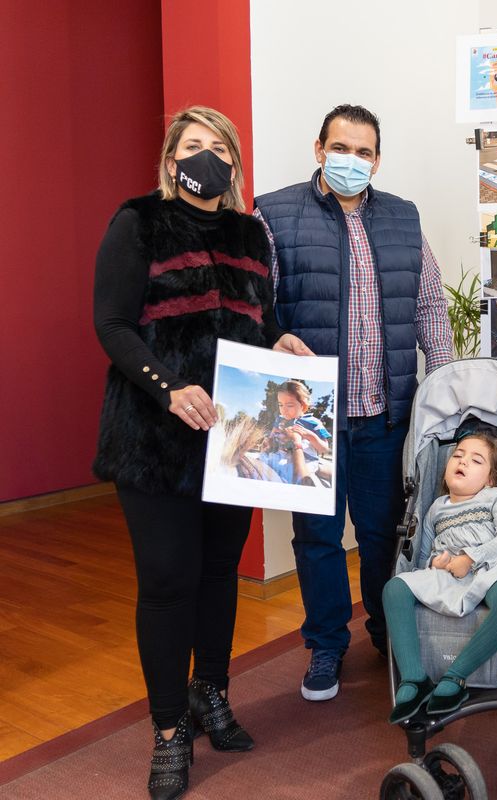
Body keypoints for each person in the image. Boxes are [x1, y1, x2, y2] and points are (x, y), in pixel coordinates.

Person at [93, 106, 314, 800]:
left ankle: (209, 693)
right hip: (154, 440)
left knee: (220, 572)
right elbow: (113, 323)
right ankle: (167, 732)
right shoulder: (138, 223)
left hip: (233, 443)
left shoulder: (250, 234)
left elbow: (258, 315)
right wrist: (168, 389)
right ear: (170, 159)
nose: (206, 158)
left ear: (235, 163)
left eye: (219, 147)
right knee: (166, 581)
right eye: (193, 146)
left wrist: (278, 340)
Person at [254, 104, 454, 702]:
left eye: (364, 152)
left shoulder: (401, 219)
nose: (352, 161)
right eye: (341, 148)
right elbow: (251, 304)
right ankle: (325, 646)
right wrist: (269, 337)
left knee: (383, 535)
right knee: (315, 540)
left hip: (384, 414)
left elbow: (429, 310)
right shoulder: (273, 215)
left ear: (377, 159)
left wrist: (442, 395)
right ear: (319, 149)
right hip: (306, 415)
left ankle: (388, 634)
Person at [382, 434, 497, 719]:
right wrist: (437, 562)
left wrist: (471, 559)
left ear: (490, 479)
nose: (462, 461)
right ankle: (414, 677)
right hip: (448, 574)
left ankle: (456, 675)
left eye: (476, 460)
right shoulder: (436, 507)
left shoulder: (495, 498)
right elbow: (423, 557)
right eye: (458, 455)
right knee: (395, 588)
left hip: (489, 567)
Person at [262, 380, 332, 485]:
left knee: (295, 476)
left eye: (289, 405)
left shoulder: (314, 422)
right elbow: (271, 437)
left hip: (306, 461)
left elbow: (324, 448)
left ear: (303, 406)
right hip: (280, 456)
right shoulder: (279, 420)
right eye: (280, 405)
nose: (283, 410)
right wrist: (269, 441)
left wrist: (310, 436)